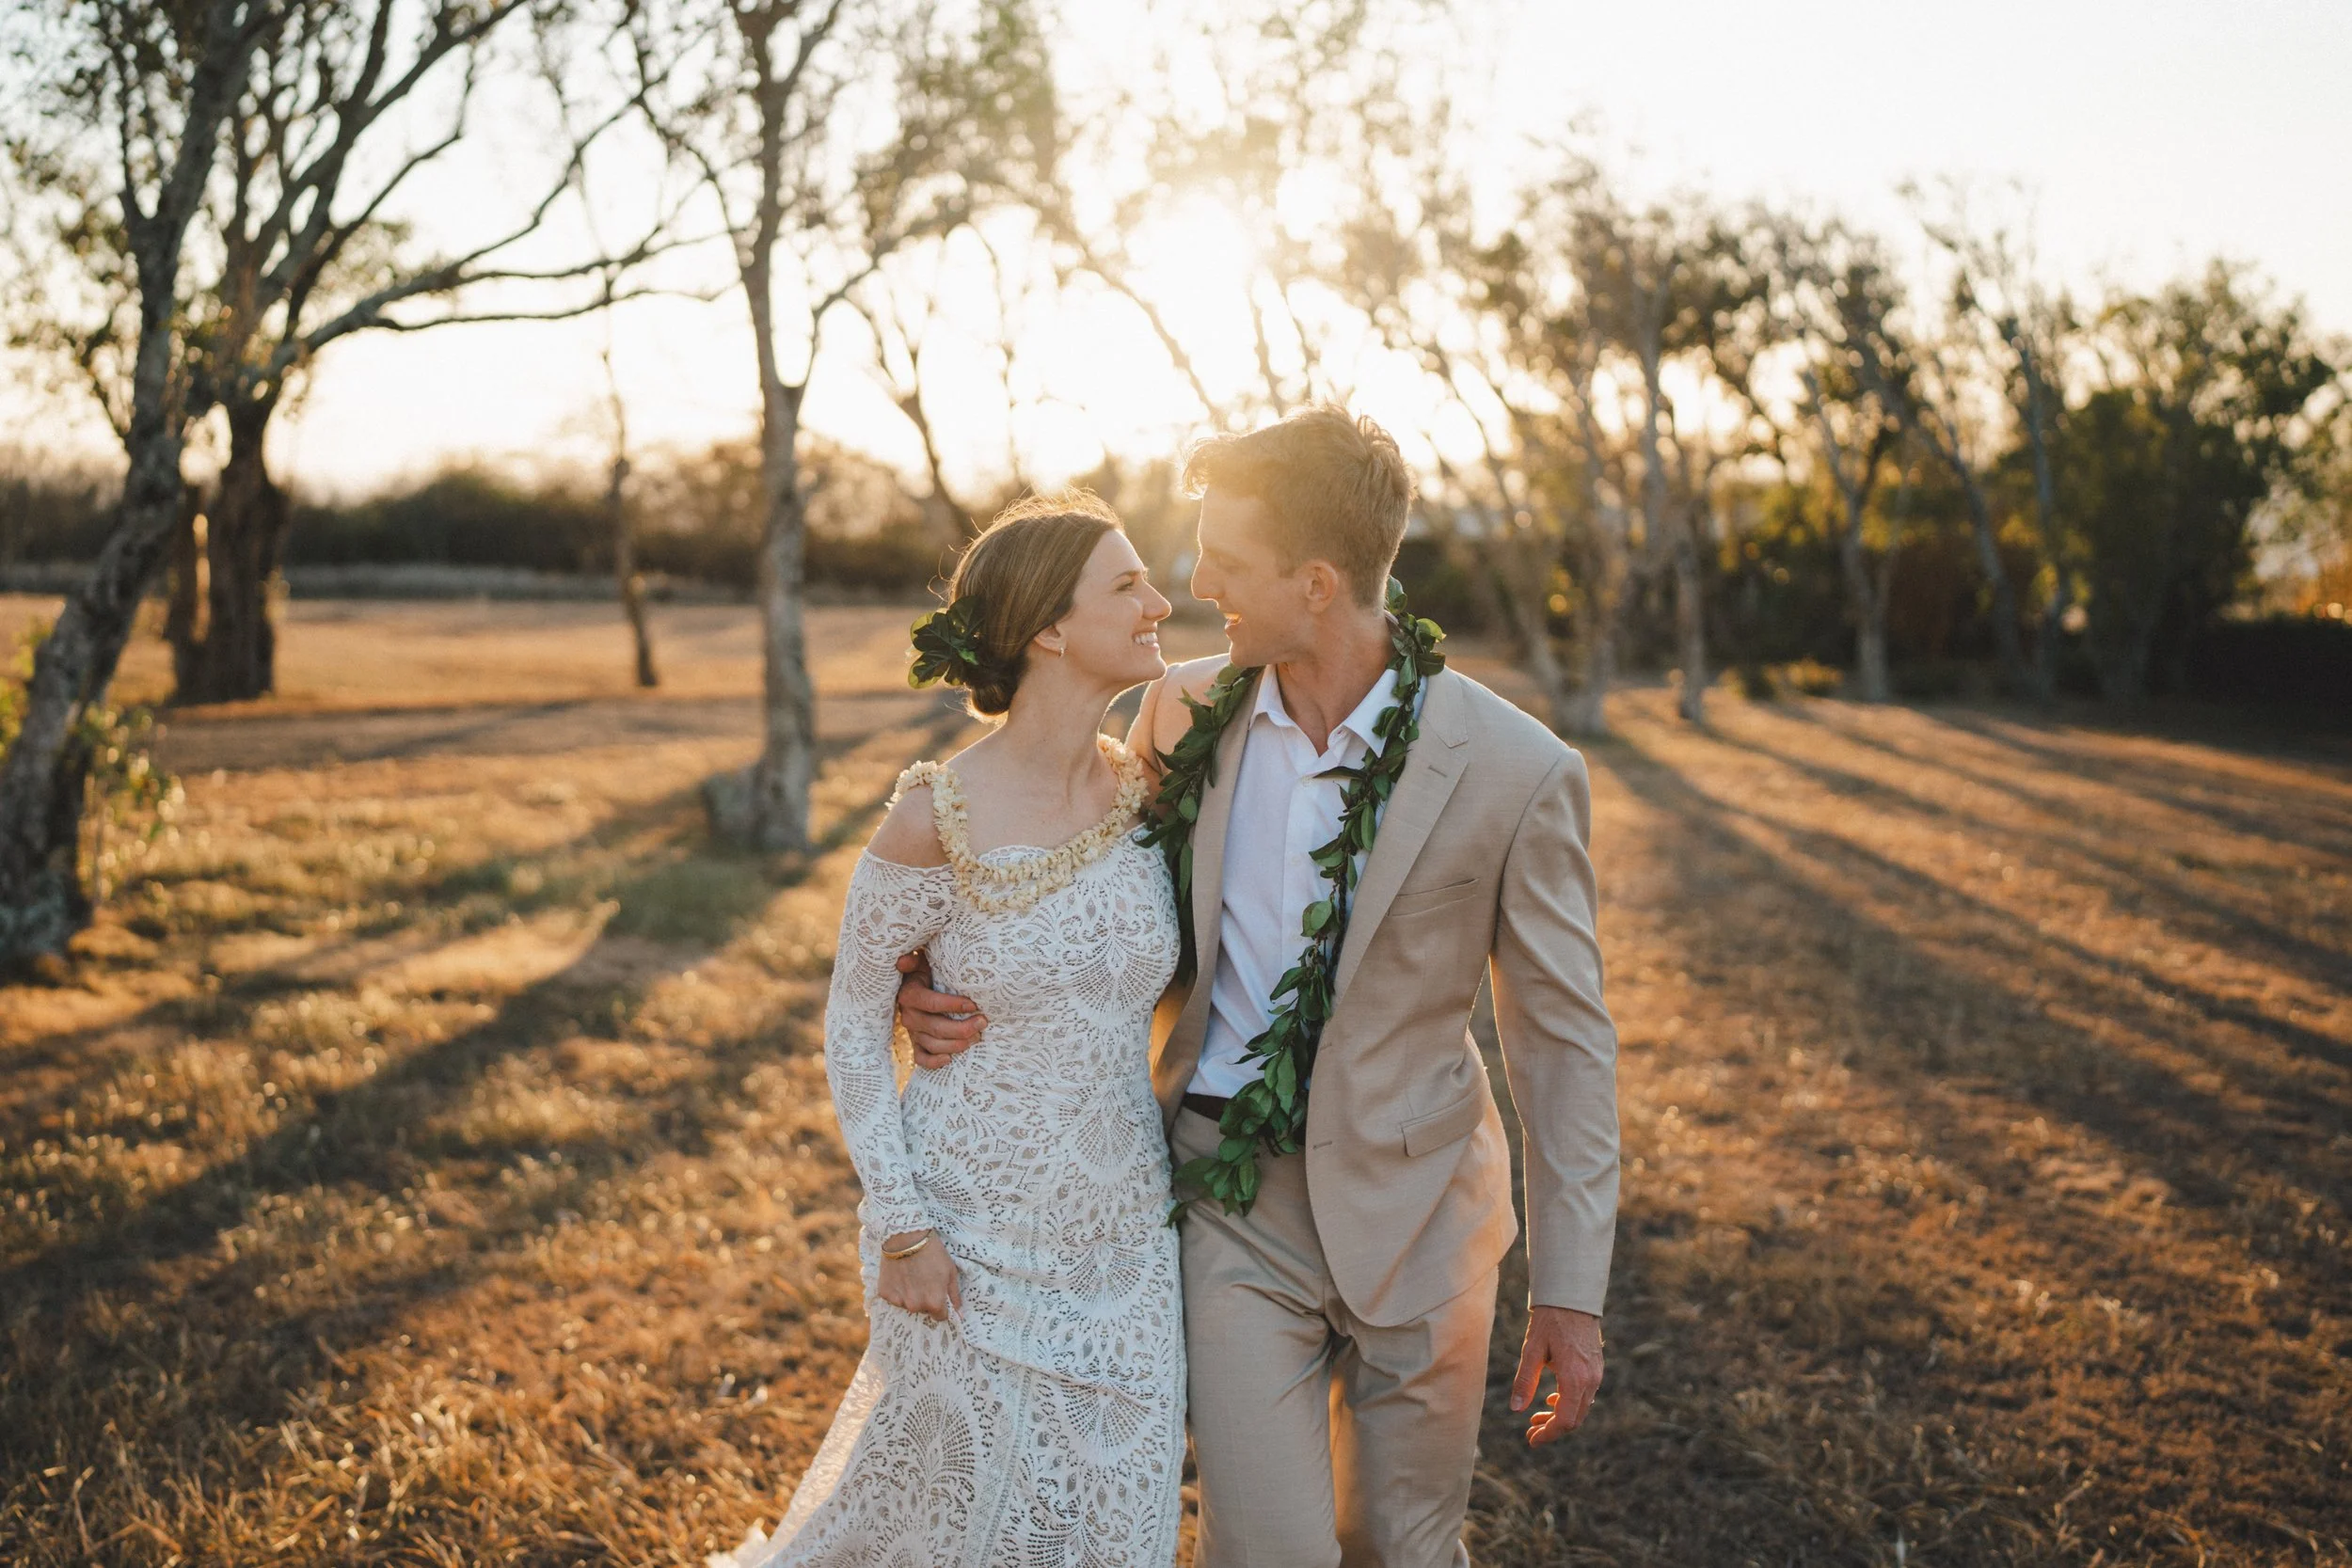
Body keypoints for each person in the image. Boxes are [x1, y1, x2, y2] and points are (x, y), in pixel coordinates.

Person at [900, 407, 1620, 1568]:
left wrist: (1571, 1295)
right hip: (1229, 1200)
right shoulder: (1184, 708)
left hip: (1424, 1209)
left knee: (1400, 1542)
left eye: (1226, 562)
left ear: (1318, 580)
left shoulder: (1518, 768)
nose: (1194, 583)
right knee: (1267, 1549)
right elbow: (1081, 889)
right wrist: (927, 969)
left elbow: (1563, 1044)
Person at [716, 493, 1186, 1567]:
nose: (1160, 601)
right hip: (967, 1235)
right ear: (1047, 629)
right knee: (949, 1524)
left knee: (1114, 1524)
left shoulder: (1149, 791)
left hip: (1123, 1238)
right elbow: (850, 1017)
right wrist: (902, 1225)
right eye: (1127, 585)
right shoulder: (937, 813)